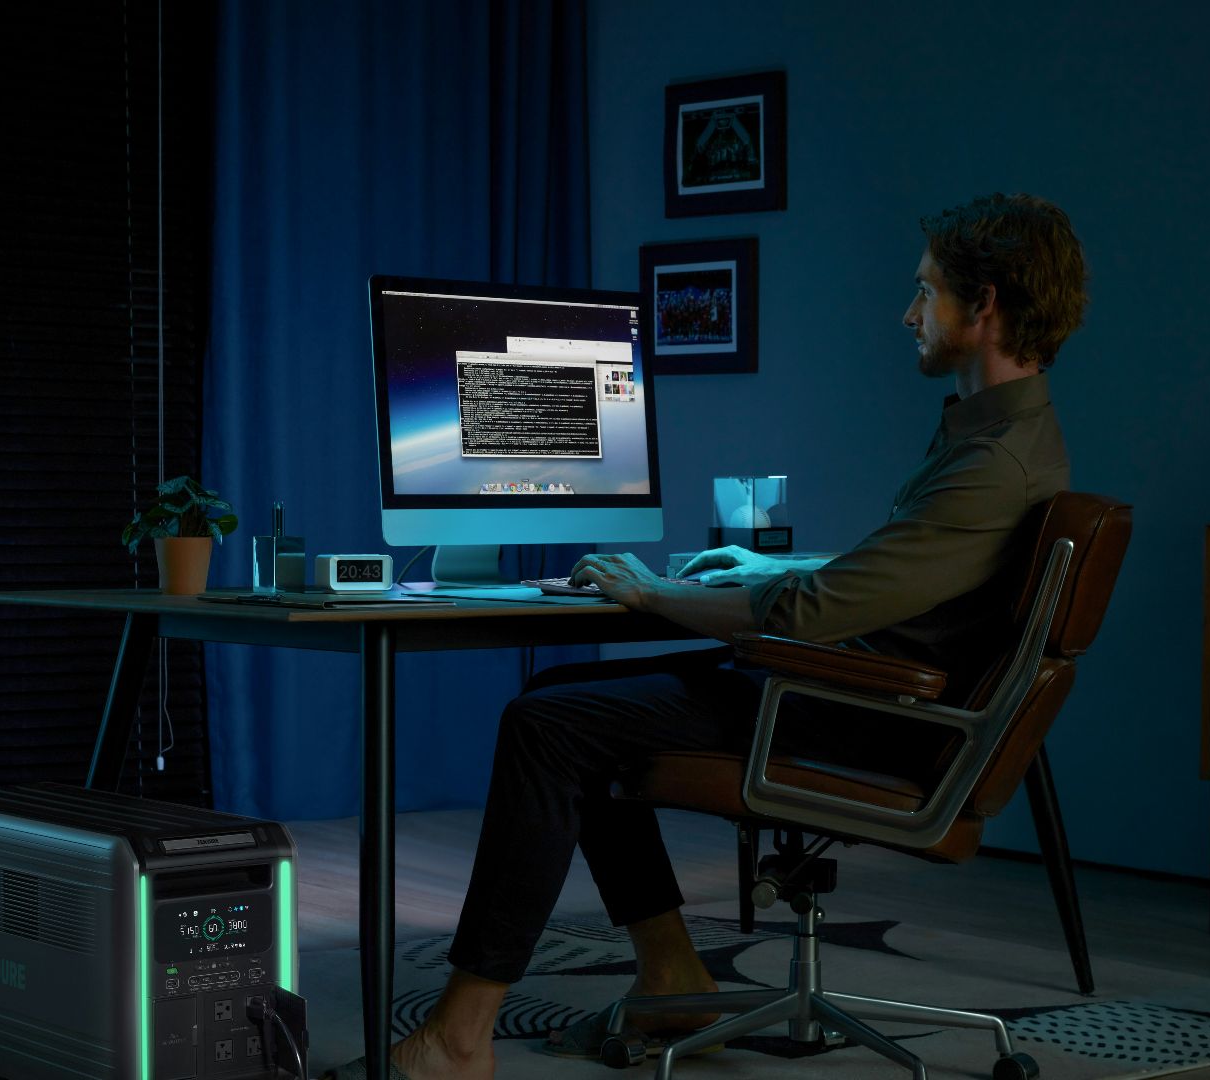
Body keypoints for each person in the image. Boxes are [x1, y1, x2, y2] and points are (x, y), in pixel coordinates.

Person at [325, 192, 1087, 1080]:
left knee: (547, 729)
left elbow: (811, 617)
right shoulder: (1002, 438)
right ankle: (672, 974)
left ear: (983, 304)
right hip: (863, 691)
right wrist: (763, 570)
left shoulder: (990, 465)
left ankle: (458, 1039)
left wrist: (652, 594)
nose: (908, 313)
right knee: (556, 697)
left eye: (925, 293)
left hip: (861, 713)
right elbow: (910, 571)